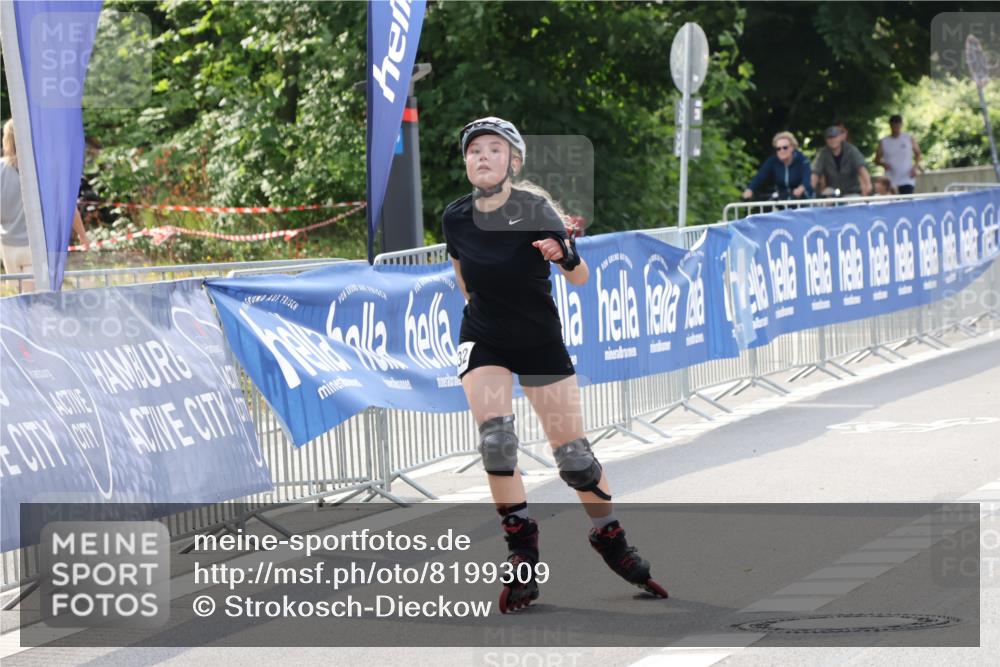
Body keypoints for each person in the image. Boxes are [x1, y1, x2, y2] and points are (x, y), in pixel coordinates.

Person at [442, 116, 668, 612]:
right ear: (466, 163)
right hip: (484, 338)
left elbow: (581, 276)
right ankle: (522, 550)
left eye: (493, 150)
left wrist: (562, 254)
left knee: (574, 458)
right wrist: (485, 320)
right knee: (496, 442)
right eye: (474, 150)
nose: (482, 156)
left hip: (539, 340)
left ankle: (609, 536)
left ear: (513, 161)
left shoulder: (534, 208)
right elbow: (464, 280)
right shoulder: (455, 217)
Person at [1, 119, 89, 291]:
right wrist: (82, 235)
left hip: (7, 245)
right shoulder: (47, 168)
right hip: (37, 245)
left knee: (18, 304)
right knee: (37, 303)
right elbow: (68, 208)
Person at [741, 131, 814, 200]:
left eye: (785, 148)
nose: (781, 151)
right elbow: (760, 176)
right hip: (782, 201)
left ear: (792, 147)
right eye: (778, 149)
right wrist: (750, 189)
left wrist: (801, 188)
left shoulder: (802, 160)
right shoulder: (772, 161)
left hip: (803, 201)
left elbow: (807, 177)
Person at [811, 125, 872, 197]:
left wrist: (868, 184)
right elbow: (815, 172)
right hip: (832, 190)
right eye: (829, 138)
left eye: (835, 137)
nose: (832, 140)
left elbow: (861, 168)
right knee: (824, 201)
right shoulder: (823, 153)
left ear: (840, 137)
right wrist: (810, 189)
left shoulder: (851, 150)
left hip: (851, 190)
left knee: (853, 203)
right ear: (826, 140)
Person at [875, 114, 922, 195]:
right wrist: (883, 164)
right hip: (891, 179)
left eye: (898, 126)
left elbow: (918, 154)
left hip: (907, 178)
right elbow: (876, 160)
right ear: (890, 126)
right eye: (894, 126)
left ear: (901, 125)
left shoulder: (908, 138)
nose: (896, 129)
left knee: (906, 202)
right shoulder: (884, 141)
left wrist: (915, 167)